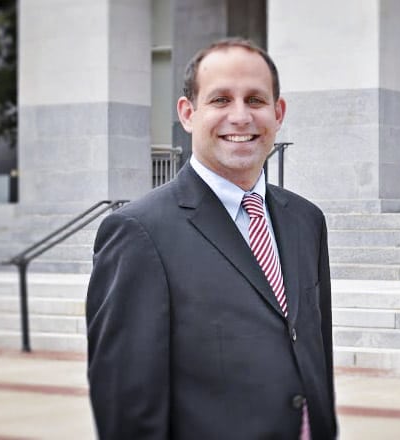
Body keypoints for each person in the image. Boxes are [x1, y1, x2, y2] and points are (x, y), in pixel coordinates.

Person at [86, 38, 337, 439]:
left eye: (255, 100)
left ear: (278, 112)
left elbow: (314, 356)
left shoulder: (306, 220)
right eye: (220, 100)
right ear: (188, 114)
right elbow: (127, 409)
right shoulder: (138, 233)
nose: (240, 117)